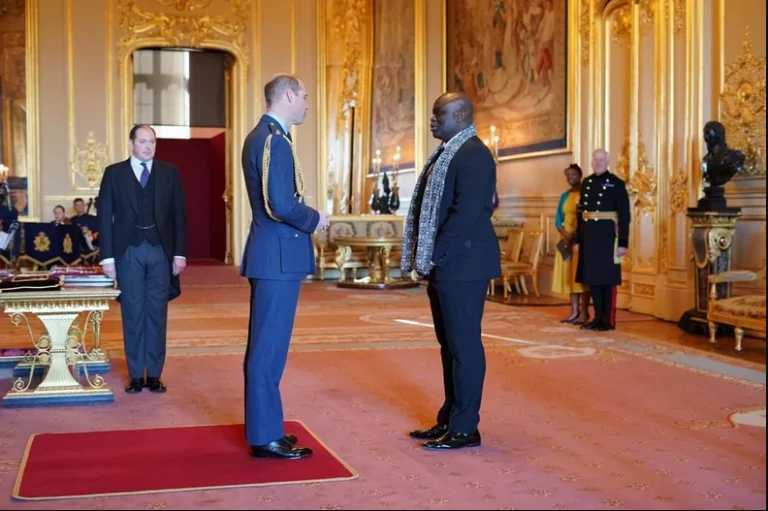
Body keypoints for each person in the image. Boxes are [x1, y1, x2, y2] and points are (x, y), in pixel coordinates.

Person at [402, 92, 501, 451]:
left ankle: (465, 428)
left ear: (460, 116)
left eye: (438, 114)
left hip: (463, 264)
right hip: (447, 263)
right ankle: (450, 417)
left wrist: (434, 255)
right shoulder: (446, 153)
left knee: (464, 346)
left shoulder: (474, 154)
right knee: (450, 346)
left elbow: (466, 213)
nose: (432, 120)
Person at [240, 74, 330, 460]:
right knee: (268, 350)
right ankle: (264, 437)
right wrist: (316, 219)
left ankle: (269, 428)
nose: (307, 103)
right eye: (305, 96)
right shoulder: (273, 141)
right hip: (276, 256)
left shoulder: (265, 135)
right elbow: (281, 204)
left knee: (269, 348)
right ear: (289, 95)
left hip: (272, 254)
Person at [98, 124, 188, 393]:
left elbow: (179, 216)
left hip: (161, 252)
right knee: (133, 312)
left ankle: (155, 375)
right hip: (128, 252)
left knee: (157, 313)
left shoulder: (170, 173)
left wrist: (180, 253)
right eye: (143, 142)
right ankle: (136, 375)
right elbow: (104, 217)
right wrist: (107, 258)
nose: (148, 147)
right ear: (131, 143)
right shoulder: (114, 174)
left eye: (152, 142)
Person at [575, 149, 631, 331]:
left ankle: (607, 320)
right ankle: (597, 317)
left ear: (607, 161)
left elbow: (624, 215)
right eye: (595, 159)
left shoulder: (616, 183)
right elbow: (580, 215)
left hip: (608, 237)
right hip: (590, 237)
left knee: (607, 280)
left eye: (601, 160)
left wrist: (623, 242)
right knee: (593, 279)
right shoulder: (587, 183)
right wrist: (577, 239)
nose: (597, 162)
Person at [553, 164, 590, 324]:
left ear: (580, 175)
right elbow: (557, 219)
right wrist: (564, 233)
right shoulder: (564, 196)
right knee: (569, 276)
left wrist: (577, 235)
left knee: (581, 278)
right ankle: (573, 311)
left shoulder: (586, 194)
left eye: (573, 174)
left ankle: (584, 312)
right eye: (567, 175)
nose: (570, 177)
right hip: (566, 240)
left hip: (581, 240)